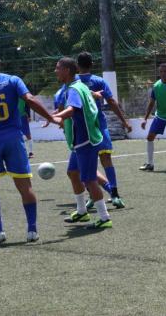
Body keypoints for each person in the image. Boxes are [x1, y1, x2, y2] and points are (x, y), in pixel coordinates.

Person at [0, 49, 58, 244]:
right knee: (25, 186)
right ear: (0, 62)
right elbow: (30, 100)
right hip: (14, 139)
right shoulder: (13, 80)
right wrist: (50, 117)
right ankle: (32, 230)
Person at [52, 57, 112, 229]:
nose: (56, 71)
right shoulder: (78, 86)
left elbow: (72, 110)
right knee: (72, 172)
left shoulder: (74, 89)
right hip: (81, 140)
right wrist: (56, 114)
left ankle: (104, 217)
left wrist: (55, 117)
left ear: (67, 70)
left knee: (89, 179)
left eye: (58, 68)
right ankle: (82, 212)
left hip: (85, 140)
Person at [77, 51, 132, 209]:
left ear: (77, 65)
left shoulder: (73, 83)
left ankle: (91, 196)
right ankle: (114, 194)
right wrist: (124, 121)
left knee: (85, 164)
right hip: (99, 126)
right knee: (106, 159)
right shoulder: (99, 81)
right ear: (92, 64)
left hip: (81, 129)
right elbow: (112, 102)